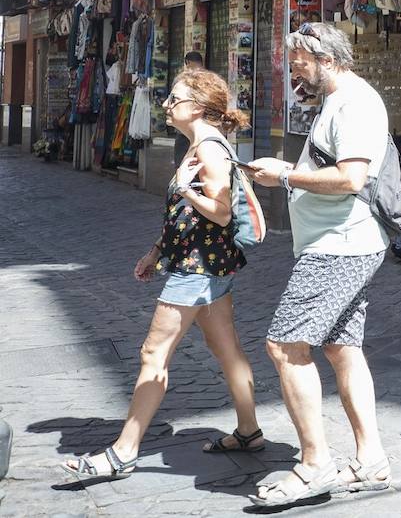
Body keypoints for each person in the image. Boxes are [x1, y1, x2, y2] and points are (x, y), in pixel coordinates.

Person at [61, 69, 265, 482]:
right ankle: (249, 431)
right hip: (208, 264)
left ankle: (123, 452)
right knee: (226, 348)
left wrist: (190, 191)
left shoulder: (208, 151)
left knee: (154, 354)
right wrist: (156, 250)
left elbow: (221, 211)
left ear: (199, 107)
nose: (167, 105)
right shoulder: (200, 145)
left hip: (197, 269)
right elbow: (187, 215)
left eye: (175, 99)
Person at [246, 23, 390, 506]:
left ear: (327, 59)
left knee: (285, 346)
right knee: (341, 348)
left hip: (341, 243)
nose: (294, 71)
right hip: (338, 241)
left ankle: (314, 464)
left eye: (300, 62)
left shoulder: (355, 102)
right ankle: (371, 460)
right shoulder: (336, 101)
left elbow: (351, 178)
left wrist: (287, 177)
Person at [172, 52, 205, 166]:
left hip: (185, 130)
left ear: (187, 63)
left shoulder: (181, 80)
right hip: (205, 128)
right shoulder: (211, 80)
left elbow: (173, 101)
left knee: (182, 165)